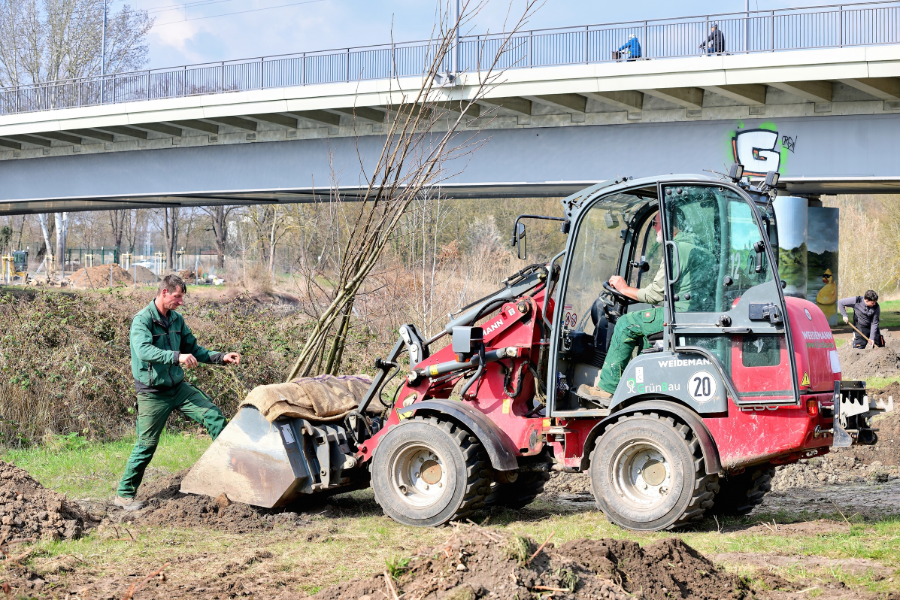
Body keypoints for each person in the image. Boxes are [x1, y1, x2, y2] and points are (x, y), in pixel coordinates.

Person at [114, 275, 242, 511]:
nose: (181, 302)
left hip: (178, 388)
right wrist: (176, 356)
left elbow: (193, 349)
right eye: (177, 297)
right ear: (164, 293)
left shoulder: (177, 320)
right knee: (146, 444)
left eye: (182, 297)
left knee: (213, 416)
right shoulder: (142, 320)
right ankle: (124, 494)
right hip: (152, 393)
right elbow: (143, 350)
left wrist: (220, 357)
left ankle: (230, 474)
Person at [584, 209, 706, 400]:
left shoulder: (676, 249)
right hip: (692, 314)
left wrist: (624, 289)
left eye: (655, 223)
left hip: (679, 316)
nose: (655, 227)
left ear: (668, 224)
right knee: (643, 329)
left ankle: (607, 389)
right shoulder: (696, 246)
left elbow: (655, 294)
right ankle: (638, 387)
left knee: (626, 323)